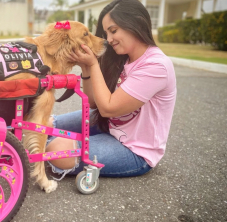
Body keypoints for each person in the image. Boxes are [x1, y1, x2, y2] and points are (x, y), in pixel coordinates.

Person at [46, 0, 176, 179]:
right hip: (108, 125)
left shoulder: (156, 66)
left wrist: (93, 64)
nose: (109, 39)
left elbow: (107, 108)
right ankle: (6, 144)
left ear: (136, 22)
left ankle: (25, 151)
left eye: (113, 31)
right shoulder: (123, 58)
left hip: (134, 151)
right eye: (106, 32)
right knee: (43, 125)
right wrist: (85, 67)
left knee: (56, 150)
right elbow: (94, 103)